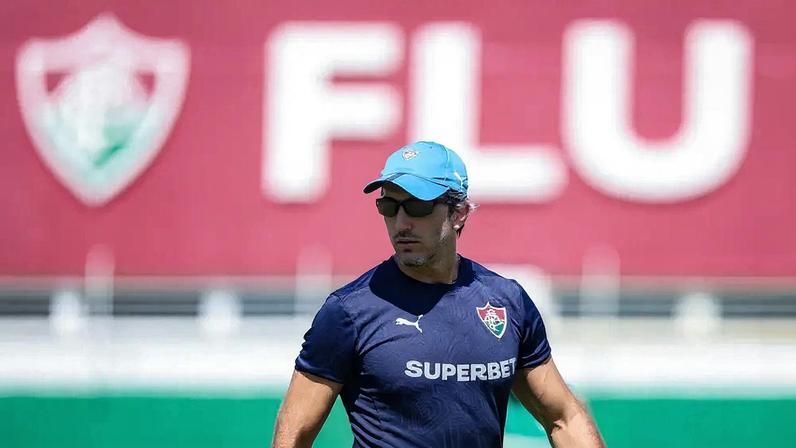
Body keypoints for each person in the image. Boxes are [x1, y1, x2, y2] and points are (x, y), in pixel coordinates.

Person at [272, 141, 605, 447]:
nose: (401, 222)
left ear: (458, 213)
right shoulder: (348, 311)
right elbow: (294, 435)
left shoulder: (508, 302)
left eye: (417, 207)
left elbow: (565, 418)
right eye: (389, 206)